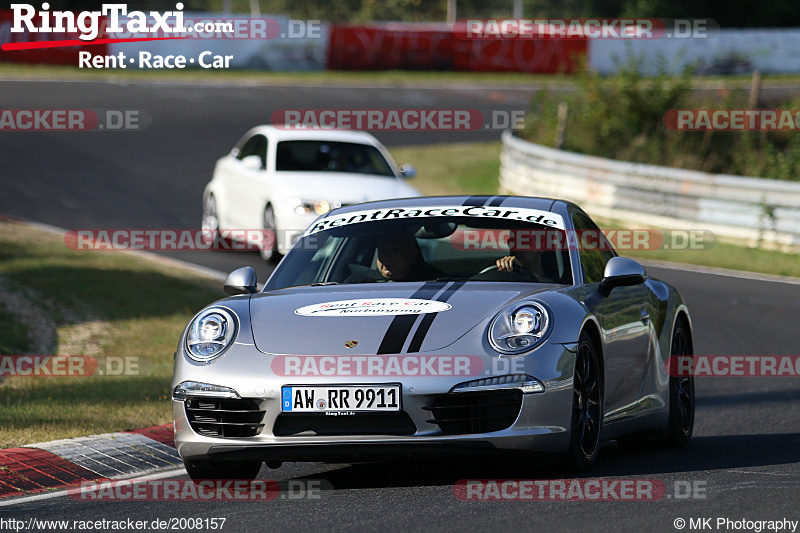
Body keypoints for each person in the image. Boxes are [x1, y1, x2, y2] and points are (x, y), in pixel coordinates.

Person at [345, 232, 435, 283]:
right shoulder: (356, 284)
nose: (386, 257)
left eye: (395, 250)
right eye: (383, 250)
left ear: (412, 254)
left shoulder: (435, 284)